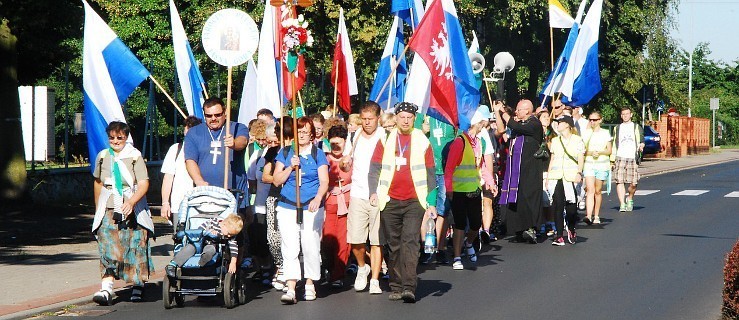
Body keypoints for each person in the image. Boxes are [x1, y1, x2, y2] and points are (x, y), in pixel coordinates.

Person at [370, 102, 437, 303]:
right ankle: (396, 285)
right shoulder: (386, 139)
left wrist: (431, 201)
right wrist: (374, 191)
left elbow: (431, 173)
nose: (406, 120)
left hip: (414, 200)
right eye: (402, 117)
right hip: (389, 200)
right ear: (396, 118)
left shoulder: (422, 141)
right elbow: (374, 168)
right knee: (394, 244)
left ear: (414, 119)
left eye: (409, 117)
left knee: (410, 241)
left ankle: (409, 286)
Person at [91, 121, 154, 305]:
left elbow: (143, 183)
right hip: (109, 206)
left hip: (131, 207)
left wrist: (132, 202)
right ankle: (107, 287)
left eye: (120, 137)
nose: (116, 141)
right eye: (112, 137)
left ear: (126, 137)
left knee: (135, 245)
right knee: (107, 245)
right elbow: (98, 182)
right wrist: (98, 209)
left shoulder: (134, 156)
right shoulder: (103, 156)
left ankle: (137, 285)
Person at [272, 117, 330, 304]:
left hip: (310, 206)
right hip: (288, 204)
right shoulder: (286, 152)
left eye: (305, 131)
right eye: (299, 132)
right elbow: (276, 180)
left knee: (310, 244)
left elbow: (324, 181)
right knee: (290, 247)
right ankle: (290, 287)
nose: (302, 135)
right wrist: (291, 166)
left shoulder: (318, 154)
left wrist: (318, 198)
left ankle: (310, 283)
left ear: (312, 133)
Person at [443, 106, 496, 270]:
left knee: (475, 223)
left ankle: (469, 243)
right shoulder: (460, 142)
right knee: (459, 224)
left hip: (474, 189)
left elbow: (480, 166)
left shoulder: (478, 143)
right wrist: (449, 189)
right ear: (477, 123)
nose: (483, 127)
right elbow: (449, 167)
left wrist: (491, 182)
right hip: (458, 190)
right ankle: (457, 257)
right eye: (482, 124)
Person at [343, 101, 386, 294]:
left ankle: (375, 280)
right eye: (364, 119)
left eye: (370, 119)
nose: (367, 123)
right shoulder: (354, 136)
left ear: (378, 118)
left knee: (377, 240)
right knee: (356, 240)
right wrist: (344, 164)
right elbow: (346, 163)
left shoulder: (385, 136)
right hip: (357, 194)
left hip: (379, 195)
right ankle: (362, 267)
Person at [493, 99, 544, 244]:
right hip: (516, 168)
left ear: (527, 110)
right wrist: (497, 112)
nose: (516, 112)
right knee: (517, 198)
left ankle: (531, 227)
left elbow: (513, 124)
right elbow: (502, 130)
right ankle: (518, 229)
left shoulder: (534, 123)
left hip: (530, 169)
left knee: (528, 197)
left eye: (519, 109)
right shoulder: (519, 125)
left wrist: (504, 112)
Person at [184, 97, 248, 191]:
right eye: (209, 116)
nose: (213, 118)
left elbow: (243, 141)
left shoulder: (238, 127)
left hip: (234, 191)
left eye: (217, 115)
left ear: (225, 112)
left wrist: (234, 143)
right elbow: (190, 160)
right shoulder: (194, 133)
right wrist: (199, 181)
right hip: (205, 191)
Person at [262, 117, 293, 291]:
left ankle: (289, 270)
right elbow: (265, 176)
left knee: (291, 237)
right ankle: (280, 265)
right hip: (274, 197)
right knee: (273, 238)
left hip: (292, 199)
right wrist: (279, 178)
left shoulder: (297, 151)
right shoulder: (272, 152)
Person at [246, 122, 279, 285]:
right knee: (259, 238)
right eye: (270, 141)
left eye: (276, 141)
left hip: (279, 205)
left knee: (276, 240)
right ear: (265, 139)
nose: (273, 145)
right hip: (260, 205)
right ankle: (264, 267)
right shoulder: (258, 156)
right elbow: (252, 182)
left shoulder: (283, 155)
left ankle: (278, 268)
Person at [420, 115, 454, 265]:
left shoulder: (451, 116)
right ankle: (426, 247)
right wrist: (422, 130)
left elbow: (458, 139)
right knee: (427, 208)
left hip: (446, 169)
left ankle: (441, 247)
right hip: (428, 169)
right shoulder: (423, 115)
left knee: (443, 210)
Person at [546, 116, 585, 246]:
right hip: (556, 177)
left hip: (571, 176)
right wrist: (548, 177)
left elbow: (580, 158)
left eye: (560, 123)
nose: (558, 125)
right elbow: (552, 159)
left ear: (568, 125)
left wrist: (579, 172)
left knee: (571, 207)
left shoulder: (577, 140)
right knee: (557, 205)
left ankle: (571, 228)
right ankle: (559, 235)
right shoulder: (555, 141)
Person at [322, 125, 352, 288]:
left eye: (339, 143)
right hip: (328, 204)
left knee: (343, 241)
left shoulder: (350, 159)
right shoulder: (324, 159)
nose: (336, 147)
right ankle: (328, 267)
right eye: (332, 143)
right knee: (327, 240)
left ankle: (338, 274)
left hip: (346, 204)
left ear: (345, 142)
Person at [165, 214, 244, 277]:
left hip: (212, 244)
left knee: (210, 249)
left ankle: (205, 258)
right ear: (224, 224)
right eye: (229, 233)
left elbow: (234, 247)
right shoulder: (211, 223)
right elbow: (199, 230)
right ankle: (173, 265)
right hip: (197, 243)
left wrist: (233, 262)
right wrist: (208, 231)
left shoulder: (229, 236)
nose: (229, 236)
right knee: (188, 249)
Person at [161, 116, 202, 226]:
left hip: (201, 205)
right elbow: (168, 177)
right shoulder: (175, 149)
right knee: (179, 238)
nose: (188, 132)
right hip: (178, 204)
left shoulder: (204, 149)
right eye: (187, 128)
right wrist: (165, 202)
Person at [582, 111, 612, 225]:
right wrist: (591, 153)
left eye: (594, 120)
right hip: (589, 164)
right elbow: (582, 150)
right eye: (590, 120)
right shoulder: (586, 133)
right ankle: (588, 215)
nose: (592, 122)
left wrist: (599, 152)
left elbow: (609, 150)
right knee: (590, 190)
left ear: (600, 120)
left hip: (602, 164)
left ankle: (596, 215)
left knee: (597, 191)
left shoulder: (605, 133)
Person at [612, 107, 644, 212]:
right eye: (623, 114)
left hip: (632, 157)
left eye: (627, 114)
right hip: (620, 156)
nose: (625, 116)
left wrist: (641, 146)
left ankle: (630, 198)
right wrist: (612, 160)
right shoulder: (617, 128)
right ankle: (622, 204)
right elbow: (614, 144)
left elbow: (642, 139)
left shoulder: (636, 127)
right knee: (619, 181)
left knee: (633, 183)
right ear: (621, 116)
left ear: (631, 114)